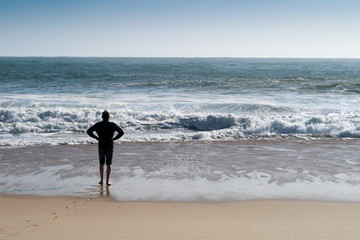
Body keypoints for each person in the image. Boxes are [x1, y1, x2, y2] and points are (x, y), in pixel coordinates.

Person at [87, 110, 124, 186]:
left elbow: (89, 131)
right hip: (109, 145)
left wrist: (96, 137)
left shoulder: (98, 124)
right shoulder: (112, 125)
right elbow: (121, 132)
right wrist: (114, 139)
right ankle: (108, 181)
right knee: (109, 163)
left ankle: (101, 180)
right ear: (109, 117)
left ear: (102, 116)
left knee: (101, 163)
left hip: (101, 145)